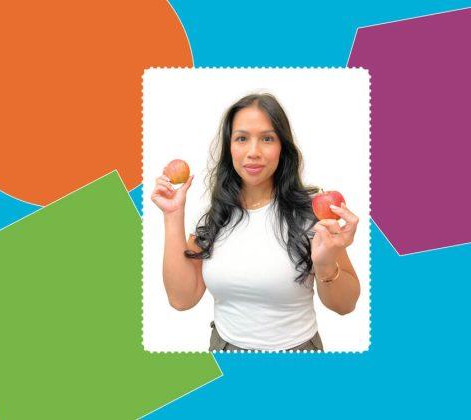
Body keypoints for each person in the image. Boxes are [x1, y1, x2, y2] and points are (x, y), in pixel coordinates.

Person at [151, 93, 360, 352]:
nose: (253, 152)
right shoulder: (215, 218)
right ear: (230, 148)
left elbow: (345, 305)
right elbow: (181, 299)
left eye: (267, 139)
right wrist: (172, 215)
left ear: (282, 147)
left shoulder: (311, 214)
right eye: (241, 138)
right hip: (224, 352)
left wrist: (326, 264)